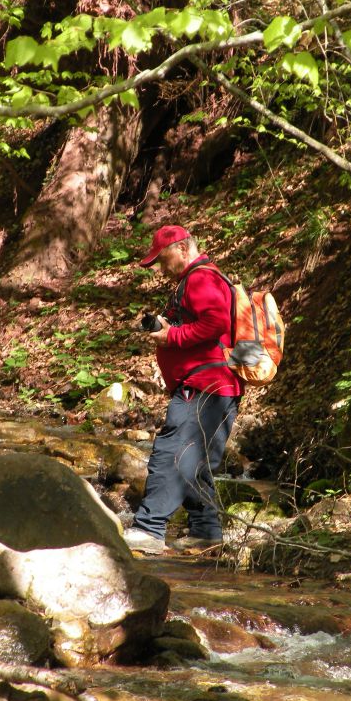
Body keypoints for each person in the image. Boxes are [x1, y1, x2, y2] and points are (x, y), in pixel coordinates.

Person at [122, 225, 244, 554]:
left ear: (183, 249)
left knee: (170, 453)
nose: (161, 267)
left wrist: (170, 337)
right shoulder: (197, 280)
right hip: (215, 388)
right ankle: (206, 531)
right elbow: (203, 322)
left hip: (205, 386)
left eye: (163, 259)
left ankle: (148, 529)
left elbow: (215, 322)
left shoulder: (201, 278)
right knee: (195, 461)